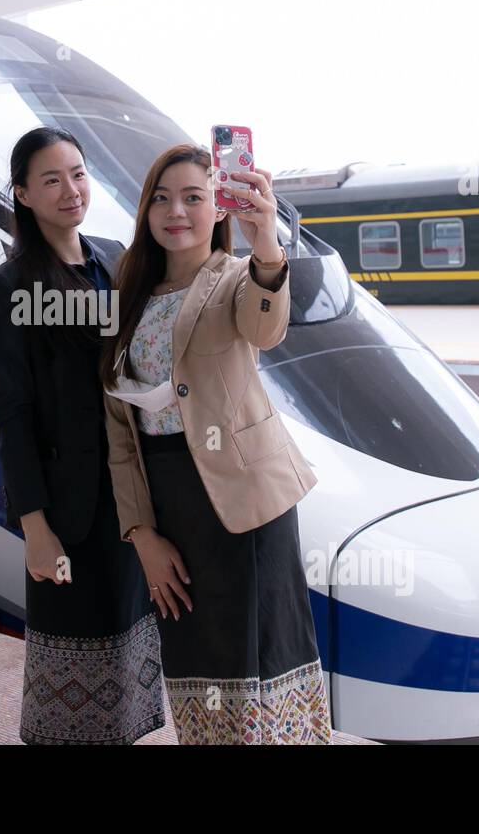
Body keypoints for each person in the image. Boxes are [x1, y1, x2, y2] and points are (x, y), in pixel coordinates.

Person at [99, 143, 331, 745]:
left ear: (219, 208)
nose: (176, 210)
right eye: (161, 198)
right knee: (195, 657)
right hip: (171, 504)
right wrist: (141, 534)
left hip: (244, 504)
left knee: (258, 657)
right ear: (146, 210)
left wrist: (268, 248)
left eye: (194, 198)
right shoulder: (130, 295)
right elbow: (119, 436)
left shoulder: (235, 278)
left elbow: (264, 326)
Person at [0, 126, 165, 744]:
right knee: (69, 676)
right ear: (24, 195)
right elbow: (13, 410)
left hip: (133, 500)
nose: (70, 190)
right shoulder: (8, 288)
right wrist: (35, 528)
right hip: (68, 511)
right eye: (51, 179)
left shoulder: (116, 259)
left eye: (78, 174)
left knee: (129, 668)